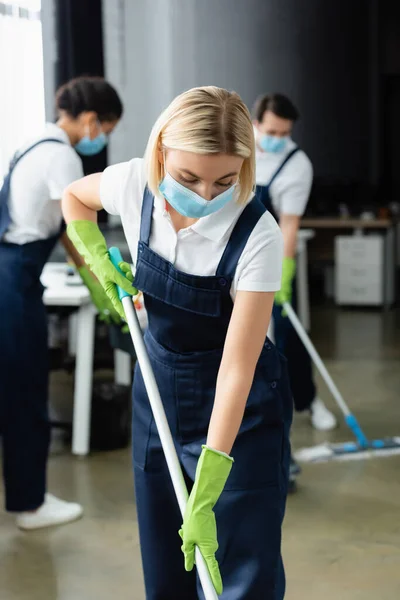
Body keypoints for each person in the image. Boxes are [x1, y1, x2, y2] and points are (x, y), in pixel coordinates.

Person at [63, 86, 293, 599]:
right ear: (162, 150)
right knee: (166, 565)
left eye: (225, 180)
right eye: (189, 178)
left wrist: (210, 483)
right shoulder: (133, 185)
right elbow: (75, 198)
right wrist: (98, 258)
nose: (206, 196)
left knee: (240, 570)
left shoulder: (257, 234)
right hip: (159, 386)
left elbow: (237, 368)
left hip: (241, 411)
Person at [0, 76, 123, 530]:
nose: (102, 138)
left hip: (9, 269)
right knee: (26, 390)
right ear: (92, 120)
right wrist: (101, 282)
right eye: (107, 128)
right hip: (13, 283)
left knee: (12, 388)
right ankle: (30, 505)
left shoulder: (32, 142)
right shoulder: (63, 156)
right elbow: (79, 231)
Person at [253, 93, 337, 492]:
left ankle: (307, 400)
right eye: (270, 132)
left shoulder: (295, 163)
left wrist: (282, 272)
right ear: (256, 123)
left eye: (284, 133)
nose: (276, 139)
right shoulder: (237, 147)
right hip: (230, 259)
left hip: (271, 254)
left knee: (284, 336)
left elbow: (289, 224)